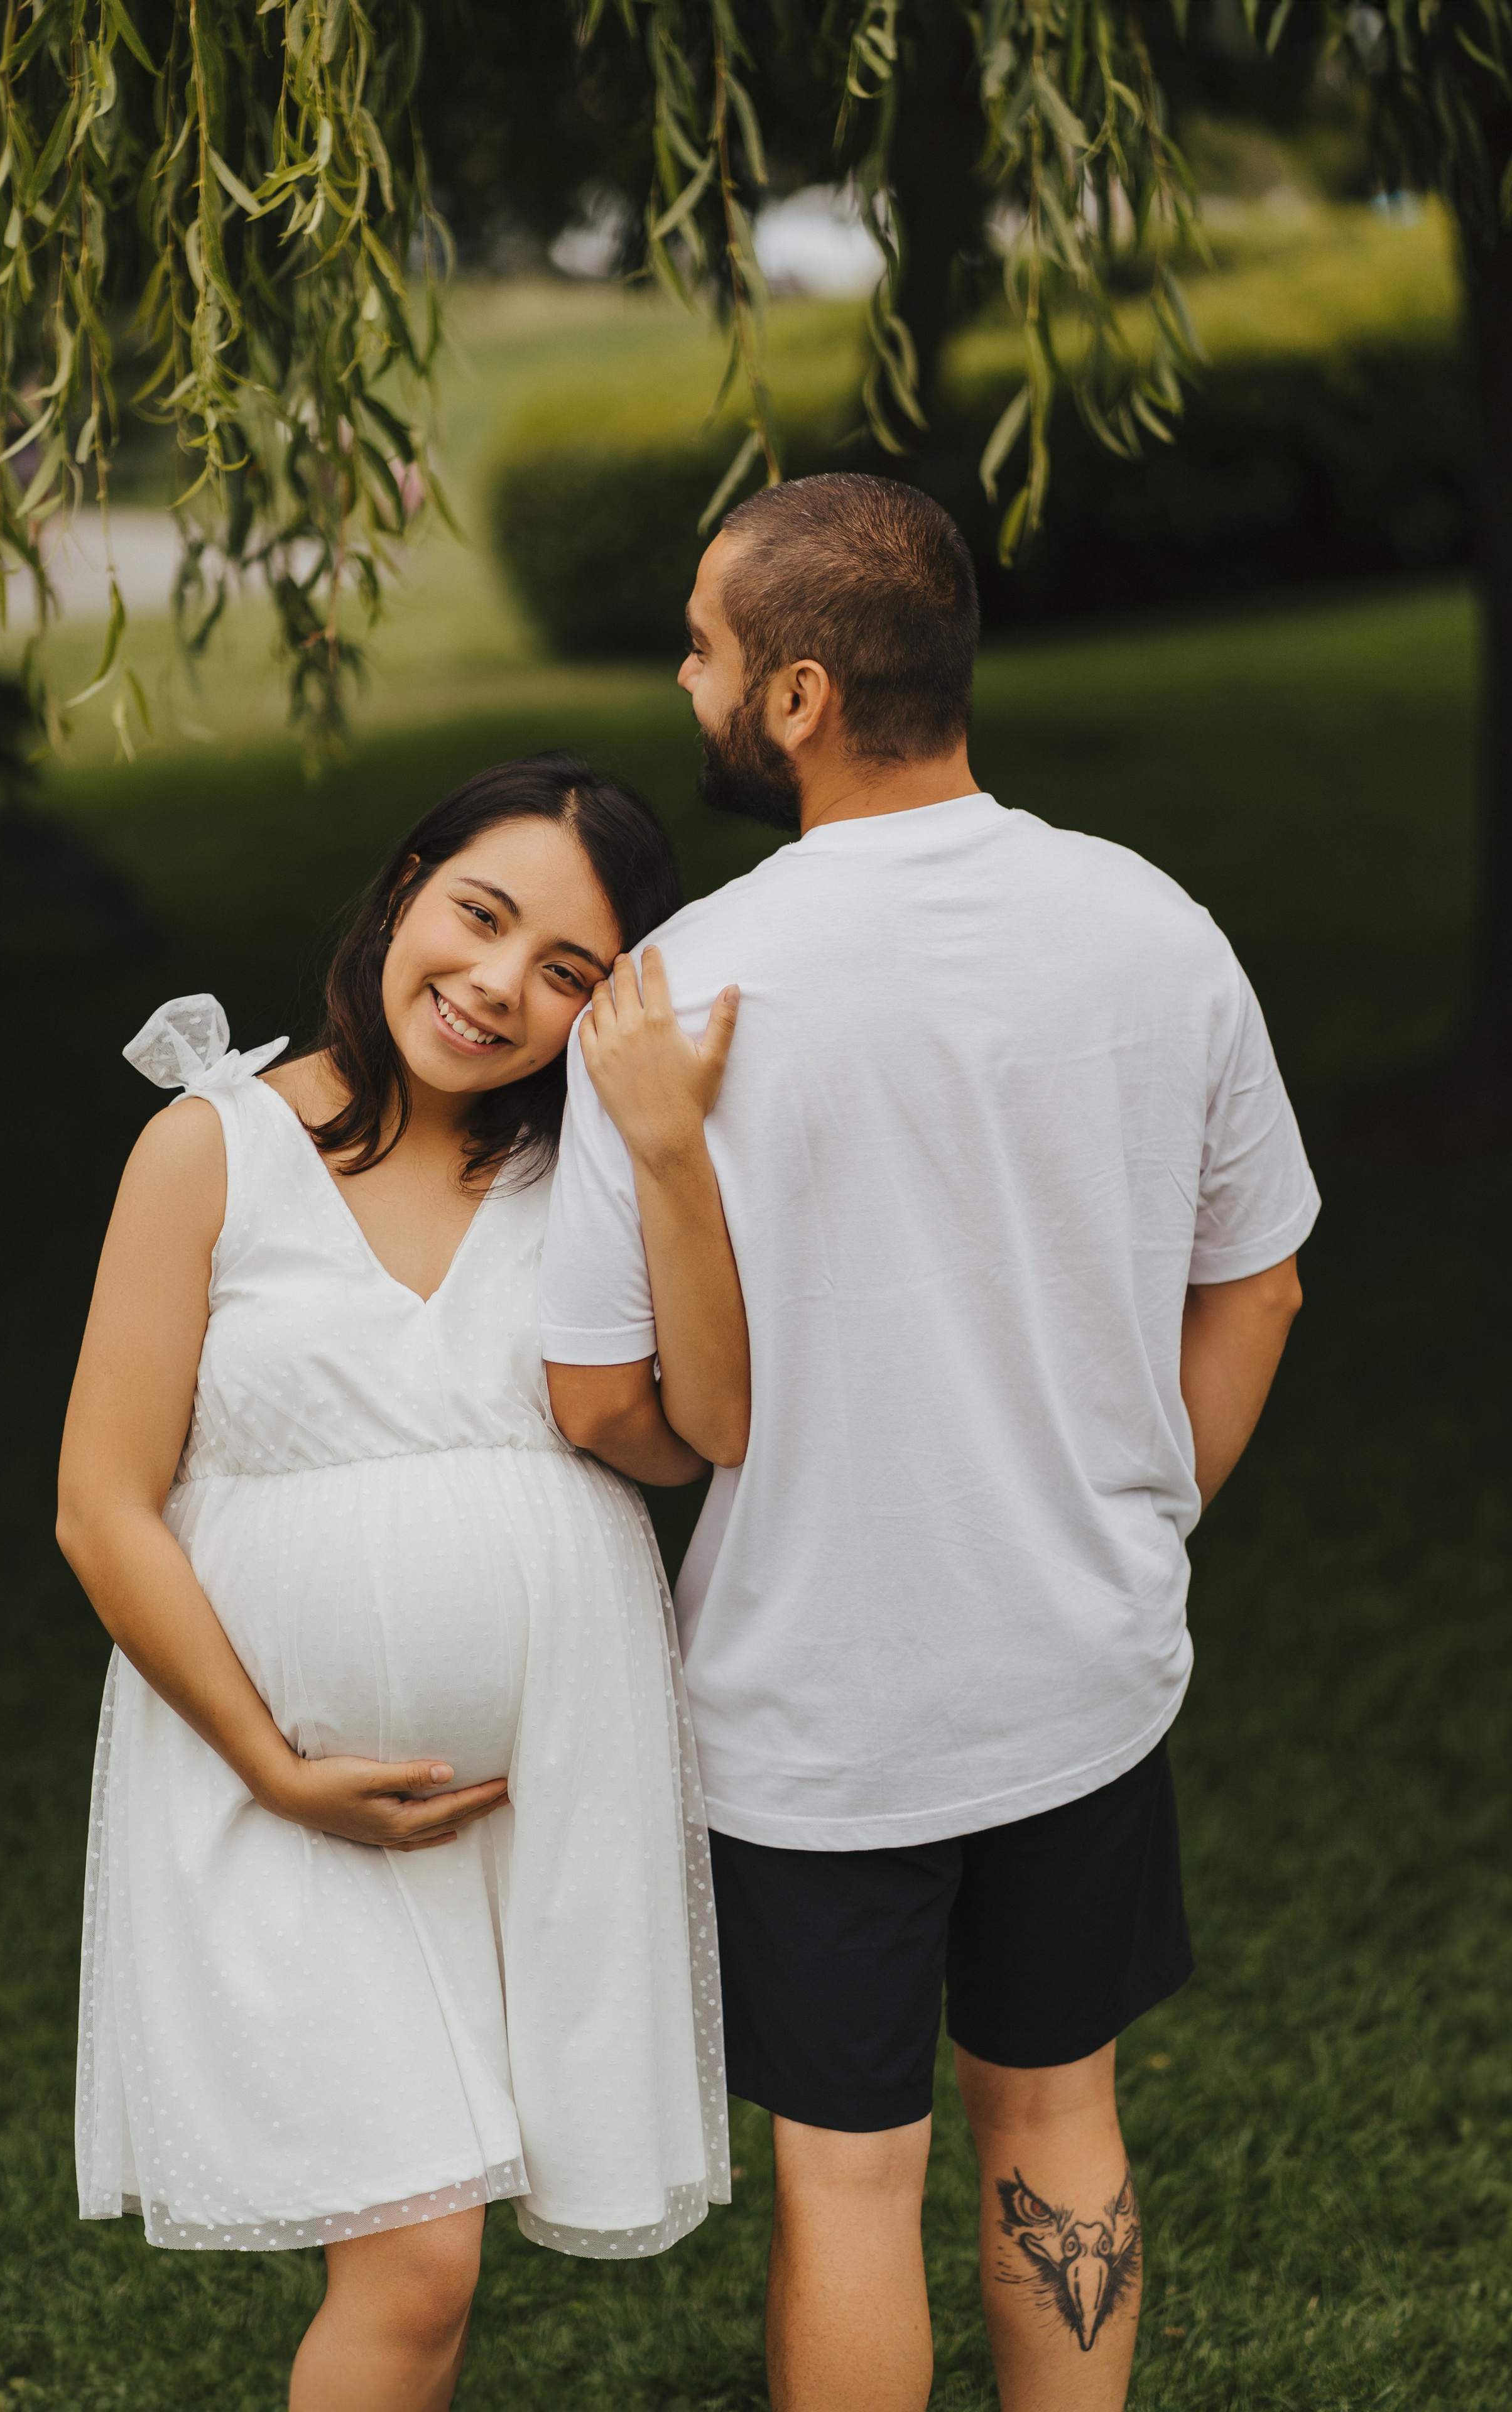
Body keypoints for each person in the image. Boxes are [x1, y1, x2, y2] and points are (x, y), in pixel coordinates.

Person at [541, 477, 1319, 2412]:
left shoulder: (671, 1000)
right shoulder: (1159, 927)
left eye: (710, 651)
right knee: (1058, 2113)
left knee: (852, 2176)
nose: (691, 681)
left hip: (817, 1705)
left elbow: (599, 1405)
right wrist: (1128, 1521)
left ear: (798, 697)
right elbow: (1266, 1288)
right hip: (1078, 1663)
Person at [57, 754, 749, 2412]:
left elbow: (701, 1431)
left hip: (543, 1790)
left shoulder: (578, 1169)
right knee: (421, 2259)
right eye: (480, 916)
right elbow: (103, 1505)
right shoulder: (209, 1147)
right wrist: (274, 1766)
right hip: (280, 1783)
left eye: (568, 970)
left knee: (432, 2279)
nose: (499, 985)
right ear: (404, 890)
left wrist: (668, 1160)